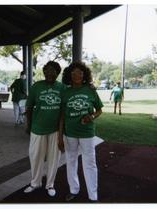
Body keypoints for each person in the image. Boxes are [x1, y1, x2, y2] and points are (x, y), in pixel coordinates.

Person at [58, 62, 103, 202]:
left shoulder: (90, 90)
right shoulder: (65, 92)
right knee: (71, 161)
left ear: (84, 75)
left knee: (89, 163)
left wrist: (91, 117)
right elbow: (62, 116)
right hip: (70, 133)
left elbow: (99, 110)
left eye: (80, 73)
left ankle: (93, 195)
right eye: (74, 73)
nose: (77, 75)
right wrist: (60, 137)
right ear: (69, 75)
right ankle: (73, 190)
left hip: (87, 133)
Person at [24, 61, 65, 197]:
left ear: (57, 73)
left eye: (53, 70)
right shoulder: (36, 87)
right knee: (35, 157)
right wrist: (28, 126)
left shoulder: (62, 88)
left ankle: (50, 184)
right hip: (37, 128)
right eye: (47, 70)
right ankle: (35, 183)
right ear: (44, 72)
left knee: (54, 158)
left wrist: (60, 134)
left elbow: (63, 112)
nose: (49, 73)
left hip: (55, 130)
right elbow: (29, 108)